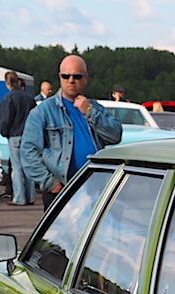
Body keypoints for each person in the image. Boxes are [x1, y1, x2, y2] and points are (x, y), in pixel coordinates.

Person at [21, 54, 123, 209]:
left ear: (85, 78)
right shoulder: (43, 111)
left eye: (77, 76)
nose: (71, 80)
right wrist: (50, 183)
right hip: (61, 190)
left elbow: (115, 135)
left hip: (94, 188)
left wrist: (89, 112)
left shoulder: (94, 108)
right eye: (66, 76)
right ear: (60, 77)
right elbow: (28, 151)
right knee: (61, 234)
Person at [1, 71, 36, 205]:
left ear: (7, 83)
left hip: (15, 134)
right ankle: (30, 196)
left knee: (17, 167)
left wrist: (5, 132)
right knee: (28, 166)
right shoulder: (29, 98)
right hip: (29, 135)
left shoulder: (8, 98)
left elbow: (6, 119)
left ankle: (19, 197)